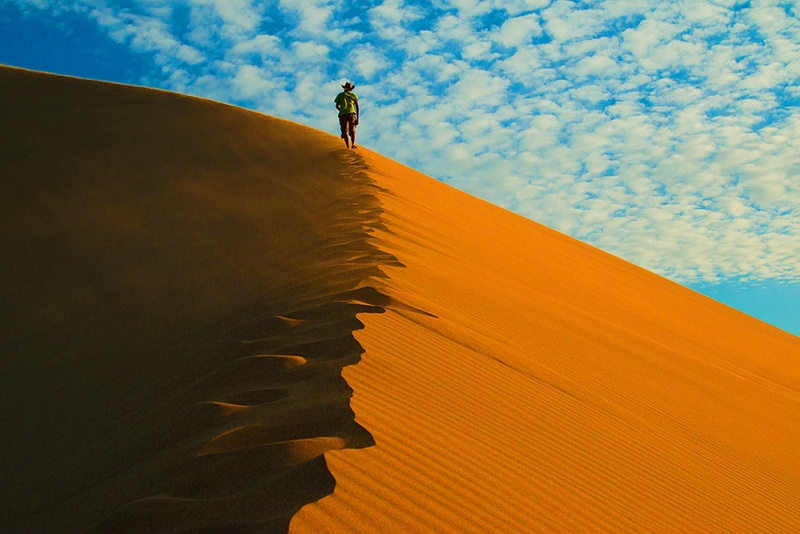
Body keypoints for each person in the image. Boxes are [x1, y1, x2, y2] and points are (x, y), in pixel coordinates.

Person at [334, 82, 360, 149]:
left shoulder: (340, 95)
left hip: (343, 114)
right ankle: (353, 145)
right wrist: (358, 118)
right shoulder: (354, 95)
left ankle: (348, 147)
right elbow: (357, 107)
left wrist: (341, 110)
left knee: (345, 131)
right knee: (353, 130)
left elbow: (336, 106)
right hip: (352, 113)